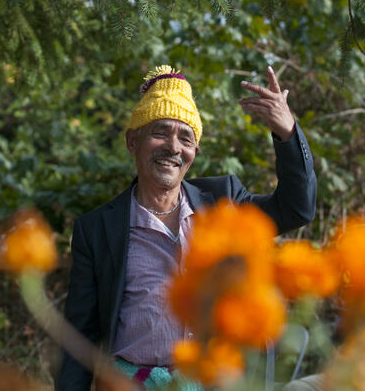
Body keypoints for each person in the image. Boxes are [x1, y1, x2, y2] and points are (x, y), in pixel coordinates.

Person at [56, 65, 317, 390]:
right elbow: (79, 336)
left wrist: (287, 132)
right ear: (132, 141)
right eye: (160, 132)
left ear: (195, 152)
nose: (173, 147)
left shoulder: (224, 202)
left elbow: (297, 208)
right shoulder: (97, 230)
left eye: (185, 138)